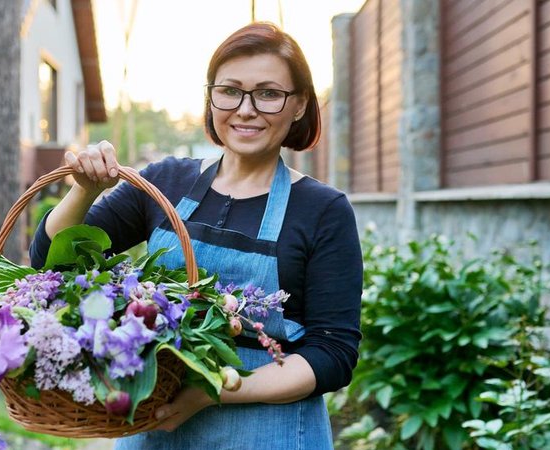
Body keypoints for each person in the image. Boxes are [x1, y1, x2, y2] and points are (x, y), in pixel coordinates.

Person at [29, 22, 362, 450]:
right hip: (152, 426)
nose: (245, 109)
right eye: (230, 90)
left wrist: (214, 390)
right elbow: (51, 265)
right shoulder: (165, 181)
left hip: (269, 429)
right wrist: (84, 190)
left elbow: (333, 353)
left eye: (268, 93)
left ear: (298, 105)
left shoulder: (323, 210)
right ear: (211, 97)